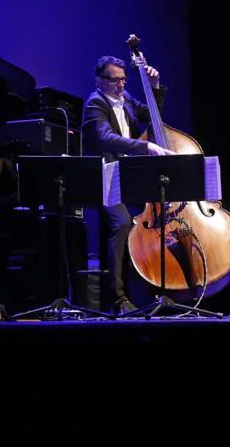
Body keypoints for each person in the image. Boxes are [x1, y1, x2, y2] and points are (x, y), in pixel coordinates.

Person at [81, 54, 173, 315]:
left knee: (152, 220)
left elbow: (151, 115)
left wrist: (154, 87)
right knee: (121, 223)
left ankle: (147, 291)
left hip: (127, 176)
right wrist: (146, 146)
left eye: (123, 80)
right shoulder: (95, 104)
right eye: (114, 80)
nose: (121, 85)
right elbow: (106, 138)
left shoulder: (126, 99)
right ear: (99, 81)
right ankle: (118, 299)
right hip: (103, 177)